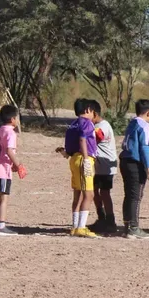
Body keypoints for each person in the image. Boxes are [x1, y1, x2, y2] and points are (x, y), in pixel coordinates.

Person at [119, 99, 149, 240]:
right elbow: (145, 148)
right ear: (148, 112)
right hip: (135, 163)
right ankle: (134, 228)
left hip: (125, 161)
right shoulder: (145, 126)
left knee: (128, 194)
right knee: (136, 195)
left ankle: (127, 226)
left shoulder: (132, 123)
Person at [64, 99, 99, 238]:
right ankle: (81, 227)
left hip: (73, 159)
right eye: (92, 111)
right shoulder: (87, 123)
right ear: (87, 110)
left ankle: (74, 226)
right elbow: (83, 139)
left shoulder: (72, 124)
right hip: (83, 158)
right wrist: (86, 159)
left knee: (78, 194)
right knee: (89, 194)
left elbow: (69, 145)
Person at [0, 104, 23, 236]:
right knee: (4, 198)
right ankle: (1, 226)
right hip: (3, 170)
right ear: (13, 119)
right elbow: (9, 150)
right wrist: (17, 164)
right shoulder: (11, 133)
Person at [90, 102, 118, 234]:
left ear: (94, 113)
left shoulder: (103, 126)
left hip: (106, 167)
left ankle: (110, 221)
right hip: (98, 167)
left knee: (105, 193)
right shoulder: (95, 126)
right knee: (94, 191)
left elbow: (97, 136)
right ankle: (101, 217)